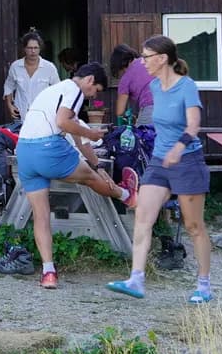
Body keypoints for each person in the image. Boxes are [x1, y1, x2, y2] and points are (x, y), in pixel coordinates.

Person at [109, 35, 213, 304]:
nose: (142, 62)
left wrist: (179, 148)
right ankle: (136, 278)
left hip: (187, 160)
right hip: (158, 162)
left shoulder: (186, 86)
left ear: (162, 58)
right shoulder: (155, 87)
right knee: (143, 216)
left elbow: (193, 125)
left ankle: (203, 285)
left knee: (193, 226)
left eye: (146, 57)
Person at [14, 65, 136, 289]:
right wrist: (92, 134)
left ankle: (48, 272)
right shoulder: (74, 90)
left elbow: (79, 138)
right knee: (88, 177)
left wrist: (97, 165)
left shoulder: (53, 92)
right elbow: (63, 123)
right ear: (89, 80)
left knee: (41, 216)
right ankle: (126, 195)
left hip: (24, 152)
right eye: (96, 90)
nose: (93, 96)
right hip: (48, 149)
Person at [3, 30, 61, 122]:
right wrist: (9, 105)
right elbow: (9, 86)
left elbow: (58, 90)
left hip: (43, 116)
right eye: (30, 48)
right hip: (21, 115)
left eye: (36, 48)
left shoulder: (49, 67)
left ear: (40, 48)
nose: (33, 51)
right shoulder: (16, 66)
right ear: (24, 49)